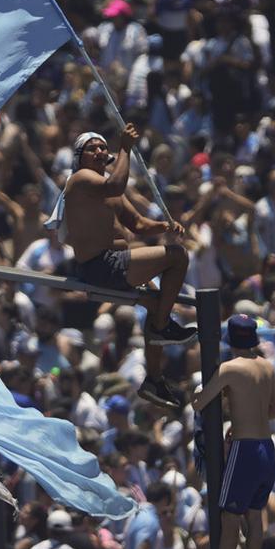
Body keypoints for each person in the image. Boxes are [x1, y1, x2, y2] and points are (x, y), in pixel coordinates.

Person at [56, 124, 194, 408]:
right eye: (92, 148)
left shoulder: (109, 187)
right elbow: (115, 184)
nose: (99, 151)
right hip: (101, 265)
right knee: (177, 257)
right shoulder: (80, 180)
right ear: (79, 157)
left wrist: (165, 225)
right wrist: (126, 148)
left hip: (115, 263)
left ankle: (154, 379)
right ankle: (163, 327)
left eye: (102, 147)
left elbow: (140, 224)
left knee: (157, 303)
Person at [191, 314, 275, 549]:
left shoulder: (229, 369)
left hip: (244, 450)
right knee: (254, 515)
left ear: (230, 340)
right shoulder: (267, 366)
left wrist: (197, 393)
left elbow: (200, 403)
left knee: (229, 517)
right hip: (267, 446)